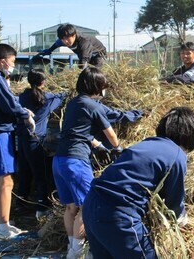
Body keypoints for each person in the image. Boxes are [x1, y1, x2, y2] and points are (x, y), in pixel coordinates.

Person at [82, 106, 194, 259]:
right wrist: (183, 222)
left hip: (91, 205)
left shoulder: (146, 144)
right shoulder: (177, 155)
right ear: (191, 136)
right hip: (118, 215)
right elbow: (174, 202)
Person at [52, 67, 122, 258]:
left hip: (59, 160)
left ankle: (71, 246)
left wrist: (98, 145)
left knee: (70, 207)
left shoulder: (73, 103)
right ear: (97, 86)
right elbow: (112, 137)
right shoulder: (94, 106)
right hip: (76, 161)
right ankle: (77, 252)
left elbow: (79, 132)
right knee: (87, 207)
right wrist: (118, 149)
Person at [0, 43, 35, 238]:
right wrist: (25, 114)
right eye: (11, 62)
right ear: (3, 61)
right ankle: (4, 227)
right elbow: (9, 104)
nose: (12, 66)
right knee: (7, 180)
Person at [16, 69, 67, 219]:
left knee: (24, 171)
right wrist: (64, 91)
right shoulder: (47, 99)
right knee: (41, 174)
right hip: (36, 140)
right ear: (43, 82)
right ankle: (42, 205)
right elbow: (61, 97)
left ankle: (21, 202)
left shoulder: (22, 97)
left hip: (21, 138)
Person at [37, 23, 107, 68]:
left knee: (95, 73)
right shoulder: (62, 41)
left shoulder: (83, 41)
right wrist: (49, 51)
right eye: (63, 39)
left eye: (67, 38)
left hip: (98, 54)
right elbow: (55, 45)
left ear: (74, 35)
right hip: (83, 54)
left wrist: (82, 70)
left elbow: (84, 60)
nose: (65, 41)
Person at [162, 42, 194, 107]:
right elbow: (170, 78)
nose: (185, 56)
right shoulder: (180, 69)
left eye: (188, 53)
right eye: (182, 53)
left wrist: (161, 81)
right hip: (186, 103)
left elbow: (184, 79)